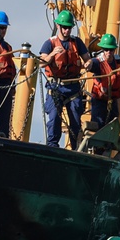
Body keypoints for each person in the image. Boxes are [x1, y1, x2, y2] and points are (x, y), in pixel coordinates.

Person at [39, 10, 91, 149]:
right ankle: (52, 146)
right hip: (56, 87)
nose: (67, 30)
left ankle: (75, 148)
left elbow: (87, 59)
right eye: (64, 27)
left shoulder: (77, 42)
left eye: (69, 27)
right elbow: (42, 62)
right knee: (54, 118)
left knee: (75, 119)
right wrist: (52, 54)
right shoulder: (49, 43)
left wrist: (88, 63)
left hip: (73, 87)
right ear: (58, 27)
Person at [88, 33, 120, 130]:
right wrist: (88, 63)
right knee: (98, 123)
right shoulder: (97, 62)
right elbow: (91, 63)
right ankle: (96, 144)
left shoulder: (119, 60)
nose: (109, 52)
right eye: (106, 49)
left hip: (112, 100)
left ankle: (110, 145)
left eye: (111, 49)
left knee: (113, 126)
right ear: (102, 50)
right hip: (99, 101)